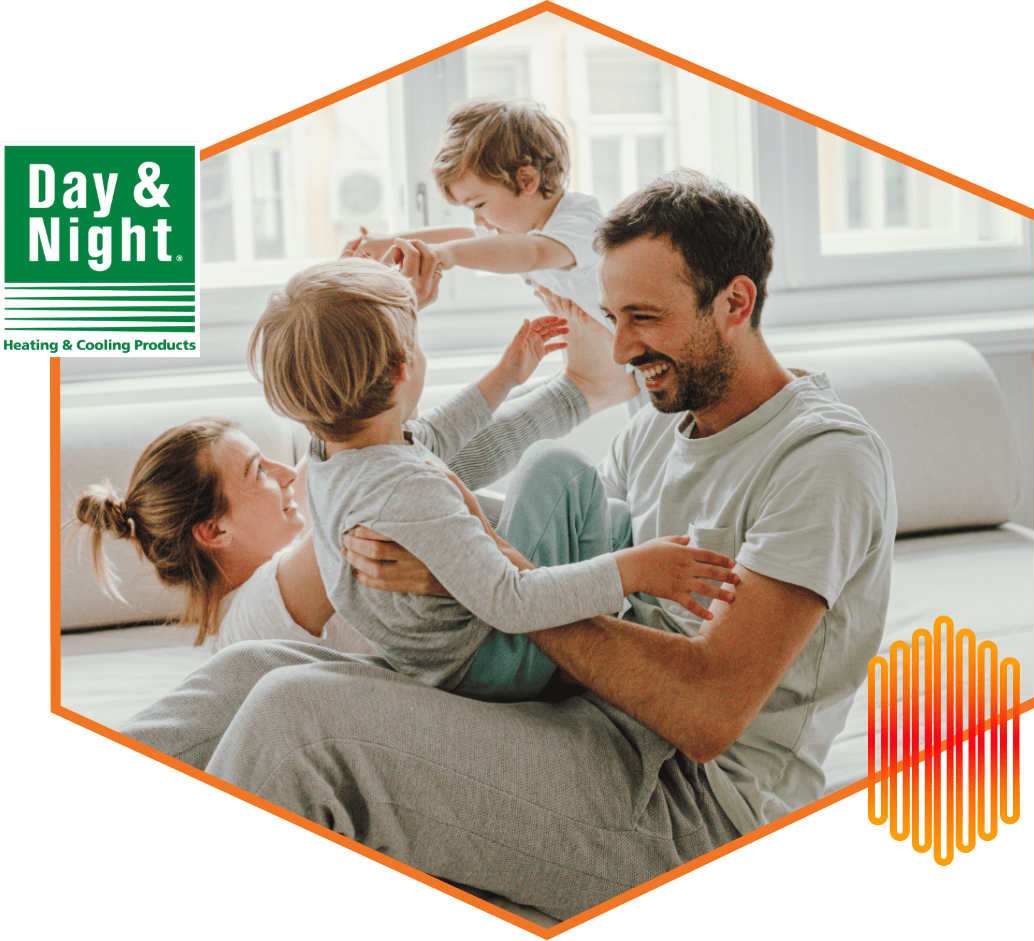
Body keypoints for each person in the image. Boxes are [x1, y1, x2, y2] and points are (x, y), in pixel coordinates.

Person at [120, 170, 896, 921]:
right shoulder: (666, 420)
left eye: (644, 317)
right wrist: (452, 541)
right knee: (253, 672)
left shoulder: (821, 458)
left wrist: (473, 574)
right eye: (611, 314)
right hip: (583, 714)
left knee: (301, 721)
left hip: (693, 807)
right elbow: (556, 538)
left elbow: (705, 712)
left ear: (736, 301)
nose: (620, 349)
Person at [72, 240, 632, 654]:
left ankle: (584, 392)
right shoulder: (249, 623)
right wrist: (374, 330)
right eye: (257, 473)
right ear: (214, 531)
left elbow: (388, 442)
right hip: (504, 649)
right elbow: (378, 455)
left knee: (424, 454)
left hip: (506, 609)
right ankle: (583, 392)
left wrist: (368, 321)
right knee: (440, 466)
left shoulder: (327, 502)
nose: (285, 473)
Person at [246, 254, 737, 700]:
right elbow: (510, 601)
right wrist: (638, 569)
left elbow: (429, 435)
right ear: (401, 369)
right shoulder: (408, 490)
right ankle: (603, 626)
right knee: (556, 471)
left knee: (603, 515)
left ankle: (625, 549)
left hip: (440, 662)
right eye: (416, 344)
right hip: (491, 661)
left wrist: (506, 376)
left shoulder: (334, 458)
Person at [345, 98, 641, 411]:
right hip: (623, 364)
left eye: (478, 205)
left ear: (526, 180)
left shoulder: (579, 221)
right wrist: (391, 241)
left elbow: (533, 254)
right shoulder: (524, 226)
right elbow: (469, 237)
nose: (477, 220)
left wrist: (447, 254)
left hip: (652, 358)